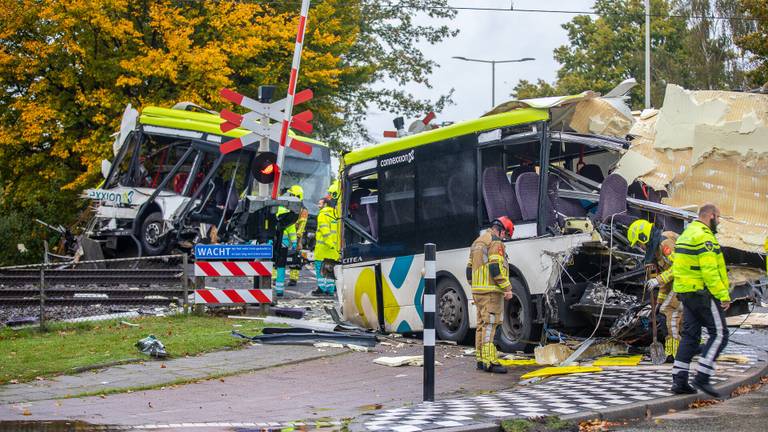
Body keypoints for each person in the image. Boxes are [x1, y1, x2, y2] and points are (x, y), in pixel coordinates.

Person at [670, 203, 730, 397]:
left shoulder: (685, 235)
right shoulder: (705, 238)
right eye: (718, 218)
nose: (719, 222)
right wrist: (723, 295)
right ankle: (702, 377)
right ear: (711, 216)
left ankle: (679, 381)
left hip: (686, 293)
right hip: (702, 293)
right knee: (720, 334)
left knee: (690, 336)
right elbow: (710, 272)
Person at [466, 216, 515, 374]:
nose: (504, 239)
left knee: (481, 325)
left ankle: (480, 360)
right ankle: (489, 362)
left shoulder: (477, 242)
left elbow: (469, 269)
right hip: (491, 292)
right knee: (490, 326)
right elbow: (495, 267)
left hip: (478, 291)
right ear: (500, 230)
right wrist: (507, 287)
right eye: (505, 235)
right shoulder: (495, 242)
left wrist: (475, 286)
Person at [628, 219, 681, 360]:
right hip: (679, 282)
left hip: (688, 279)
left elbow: (679, 267)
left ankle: (675, 353)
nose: (641, 247)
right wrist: (658, 302)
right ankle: (687, 347)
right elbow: (666, 284)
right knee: (666, 310)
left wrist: (657, 280)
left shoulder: (664, 243)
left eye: (639, 243)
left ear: (644, 238)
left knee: (669, 310)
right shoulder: (656, 250)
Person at [313, 181, 340, 296]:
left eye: (320, 204)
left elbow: (325, 231)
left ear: (325, 204)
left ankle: (321, 288)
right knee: (331, 269)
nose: (319, 206)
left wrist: (329, 243)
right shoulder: (336, 214)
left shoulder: (323, 214)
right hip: (333, 249)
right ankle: (330, 289)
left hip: (323, 248)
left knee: (320, 269)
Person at [288, 185, 308, 286]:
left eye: (291, 194)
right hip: (286, 235)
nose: (289, 195)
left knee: (295, 258)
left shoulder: (303, 210)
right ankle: (275, 278)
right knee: (280, 257)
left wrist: (298, 240)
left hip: (296, 236)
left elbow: (302, 226)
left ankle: (293, 279)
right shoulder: (288, 205)